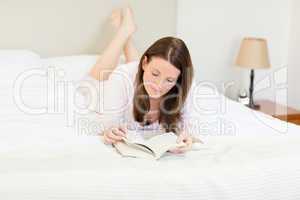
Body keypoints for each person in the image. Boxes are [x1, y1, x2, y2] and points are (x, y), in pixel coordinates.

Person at [83, 7, 198, 154]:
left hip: (138, 76)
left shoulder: (185, 84)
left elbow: (191, 126)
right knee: (100, 77)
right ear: (144, 63)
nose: (158, 86)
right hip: (102, 88)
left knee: (140, 74)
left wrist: (188, 136)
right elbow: (109, 123)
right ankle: (124, 31)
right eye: (155, 74)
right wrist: (111, 131)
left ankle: (127, 38)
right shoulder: (120, 77)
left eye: (169, 80)